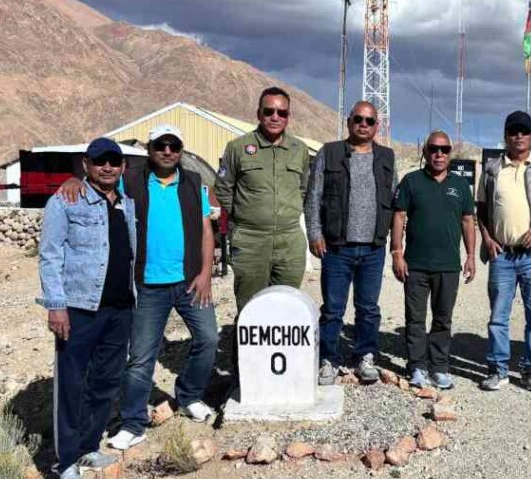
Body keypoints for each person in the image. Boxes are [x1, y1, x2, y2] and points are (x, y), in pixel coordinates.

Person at [56, 125, 219, 450]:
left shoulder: (193, 183)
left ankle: (188, 395)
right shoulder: (129, 181)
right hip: (146, 286)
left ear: (181, 150)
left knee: (209, 339)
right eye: (161, 145)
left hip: (189, 281)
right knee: (142, 357)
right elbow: (95, 183)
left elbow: (204, 229)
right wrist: (74, 179)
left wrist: (205, 273)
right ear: (150, 148)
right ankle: (133, 423)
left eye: (174, 145)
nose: (168, 151)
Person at [38, 138, 136, 479]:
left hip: (120, 308)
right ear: (86, 164)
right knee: (71, 384)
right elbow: (49, 255)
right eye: (100, 161)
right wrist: (55, 305)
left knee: (106, 382)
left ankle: (88, 447)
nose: (107, 167)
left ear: (123, 166)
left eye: (114, 161)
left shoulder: (127, 203)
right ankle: (65, 463)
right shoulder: (66, 201)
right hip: (79, 308)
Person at [305, 101, 395, 385]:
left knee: (368, 308)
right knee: (333, 308)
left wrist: (395, 242)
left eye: (369, 121)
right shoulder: (329, 152)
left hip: (373, 248)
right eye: (359, 119)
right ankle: (328, 360)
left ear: (376, 126)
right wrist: (315, 234)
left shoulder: (387, 157)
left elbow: (394, 201)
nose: (364, 125)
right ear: (349, 122)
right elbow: (313, 196)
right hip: (337, 248)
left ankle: (365, 356)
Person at [475, 110, 531, 391]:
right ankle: (498, 369)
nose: (519, 136)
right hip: (502, 256)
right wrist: (487, 239)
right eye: (513, 131)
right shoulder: (491, 169)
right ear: (505, 136)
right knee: (498, 317)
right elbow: (481, 210)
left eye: (524, 131)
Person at [391, 131, 476, 390]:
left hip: (448, 267)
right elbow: (399, 216)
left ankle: (439, 367)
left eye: (445, 149)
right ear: (425, 151)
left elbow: (467, 221)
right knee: (415, 319)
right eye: (434, 149)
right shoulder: (411, 181)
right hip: (415, 264)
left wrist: (471, 255)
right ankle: (417, 366)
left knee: (442, 319)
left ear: (450, 153)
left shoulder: (460, 186)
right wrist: (396, 252)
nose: (439, 154)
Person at [216, 86, 311, 313]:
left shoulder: (299, 149)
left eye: (282, 113)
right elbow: (223, 188)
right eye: (269, 111)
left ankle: (282, 350)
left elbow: (304, 189)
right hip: (250, 240)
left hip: (289, 240)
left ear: (288, 117)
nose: (275, 117)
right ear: (259, 114)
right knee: (251, 307)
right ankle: (244, 350)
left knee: (287, 305)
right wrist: (243, 215)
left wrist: (288, 211)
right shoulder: (238, 147)